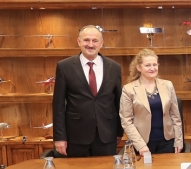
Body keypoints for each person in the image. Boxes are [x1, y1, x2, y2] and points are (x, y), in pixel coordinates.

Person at [52, 25, 122, 157]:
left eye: (95, 41)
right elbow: (58, 105)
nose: (90, 44)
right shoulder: (64, 66)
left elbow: (118, 102)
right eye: (86, 40)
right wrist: (59, 137)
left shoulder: (114, 67)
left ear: (101, 43)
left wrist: (119, 132)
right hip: (76, 136)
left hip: (107, 134)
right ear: (79, 42)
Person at [119, 49, 183, 155]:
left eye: (155, 65)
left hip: (167, 142)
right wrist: (140, 145)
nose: (152, 68)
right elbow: (126, 121)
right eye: (147, 65)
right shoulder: (128, 89)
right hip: (142, 144)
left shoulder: (168, 85)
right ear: (139, 67)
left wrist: (179, 140)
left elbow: (175, 116)